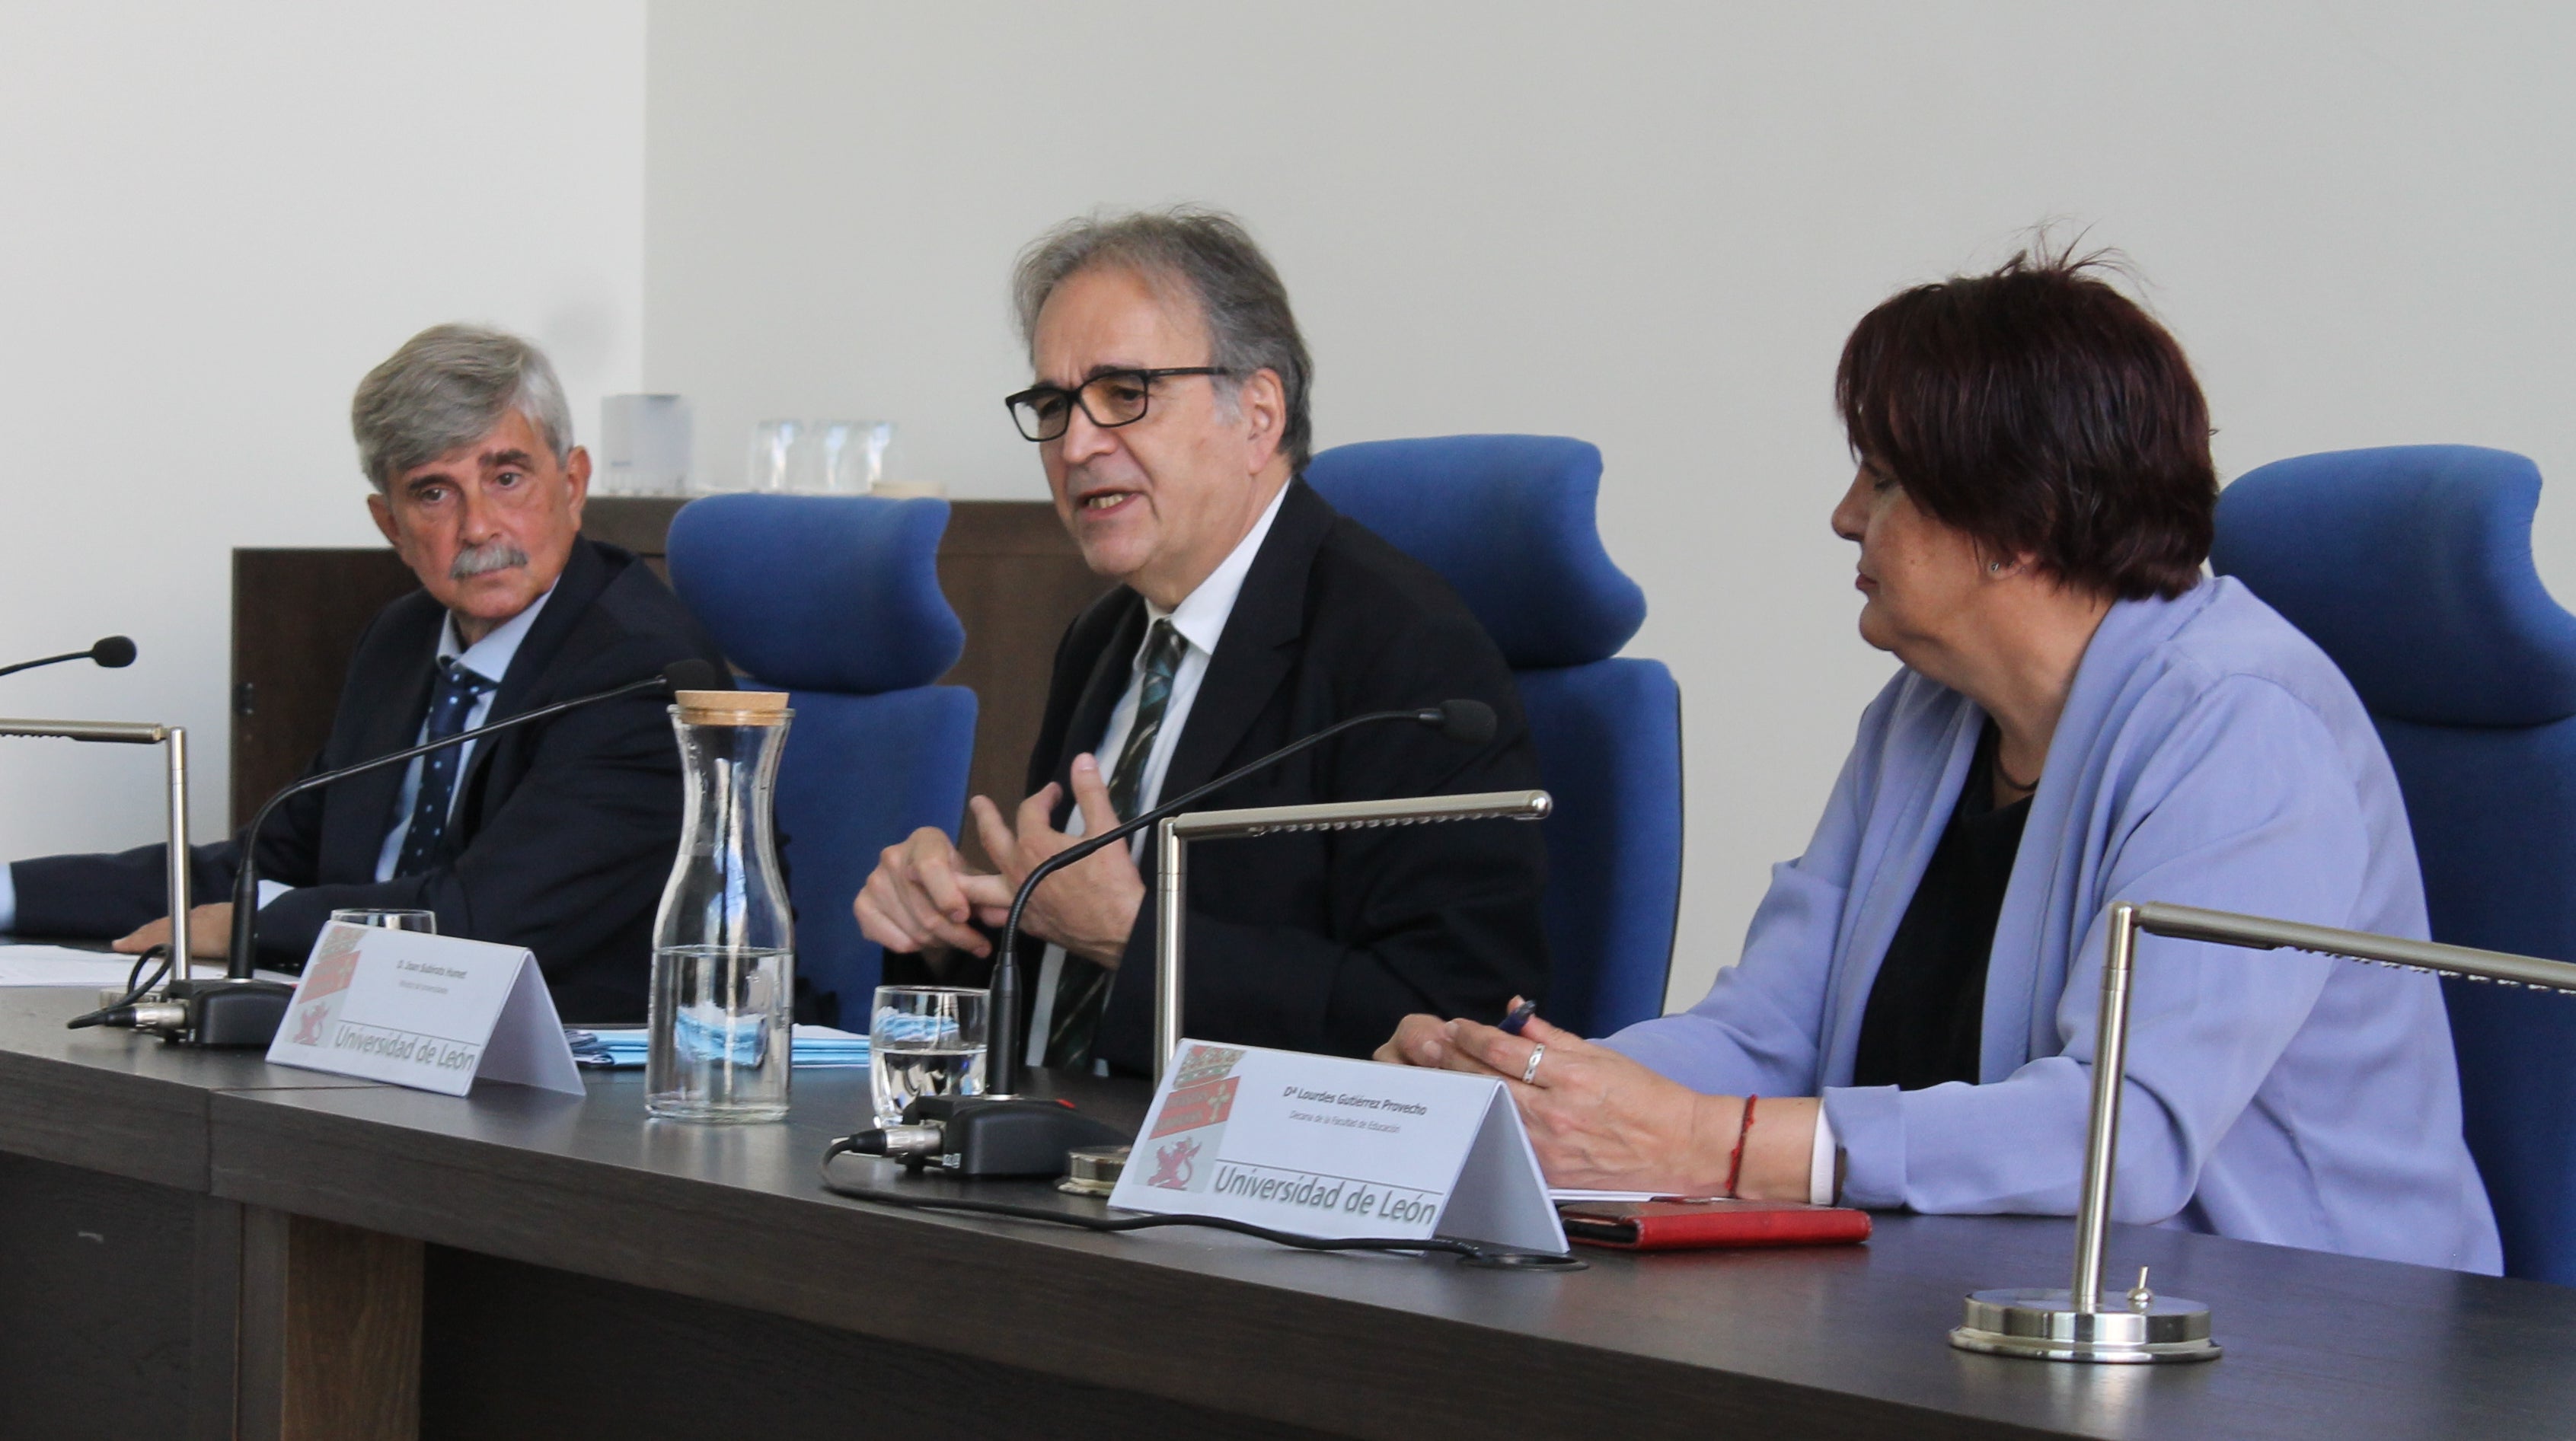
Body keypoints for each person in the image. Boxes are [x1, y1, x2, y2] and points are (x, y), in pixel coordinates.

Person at [1382, 248, 2503, 1273]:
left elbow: (2126, 1138)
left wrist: (1710, 1144)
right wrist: (1526, 1088)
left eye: (1880, 479)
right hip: (1990, 1302)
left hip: (2303, 1340)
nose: (1841, 515)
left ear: (2015, 523)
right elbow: (1765, 1033)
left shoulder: (2240, 724)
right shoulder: (1923, 715)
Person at [854, 208, 1548, 1074]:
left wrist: (1134, 937)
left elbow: (1455, 1018)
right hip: (1047, 1155)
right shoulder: (1106, 636)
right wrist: (946, 928)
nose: (1074, 444)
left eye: (1123, 396)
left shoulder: (1409, 657)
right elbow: (1063, 951)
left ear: (1258, 414)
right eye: (1051, 404)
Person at [5, 324, 727, 1022]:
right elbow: (269, 858)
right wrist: (10, 892)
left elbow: (485, 918)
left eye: (506, 477)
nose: (479, 527)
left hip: (592, 1072)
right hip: (376, 1027)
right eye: (434, 493)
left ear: (572, 484)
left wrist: (252, 926)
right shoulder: (402, 637)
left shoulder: (641, 668)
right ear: (389, 524)